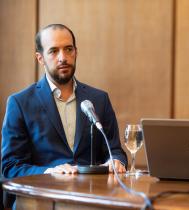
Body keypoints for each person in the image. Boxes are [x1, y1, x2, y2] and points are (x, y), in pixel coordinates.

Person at [1, 24, 127, 178]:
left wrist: (115, 161)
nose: (63, 58)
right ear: (40, 58)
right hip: (42, 197)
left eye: (68, 49)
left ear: (76, 52)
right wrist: (49, 172)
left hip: (93, 194)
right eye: (53, 51)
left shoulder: (99, 99)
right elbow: (10, 167)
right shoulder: (20, 103)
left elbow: (115, 151)